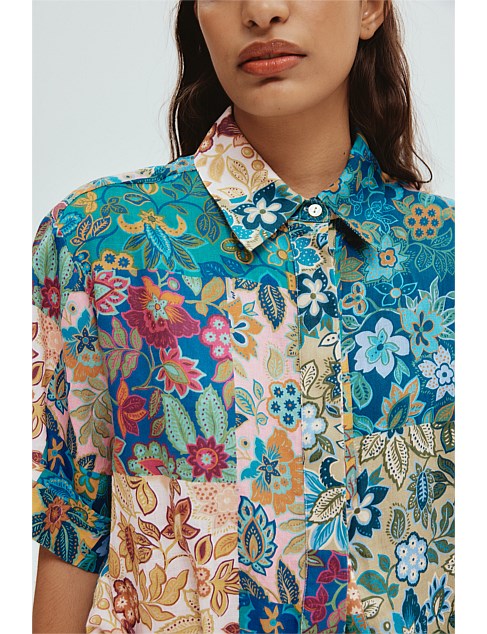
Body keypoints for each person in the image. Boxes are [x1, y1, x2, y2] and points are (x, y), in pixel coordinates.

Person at [32, 1, 455, 632]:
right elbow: (72, 524)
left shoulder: (451, 256)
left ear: (370, 7)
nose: (261, 10)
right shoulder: (100, 241)